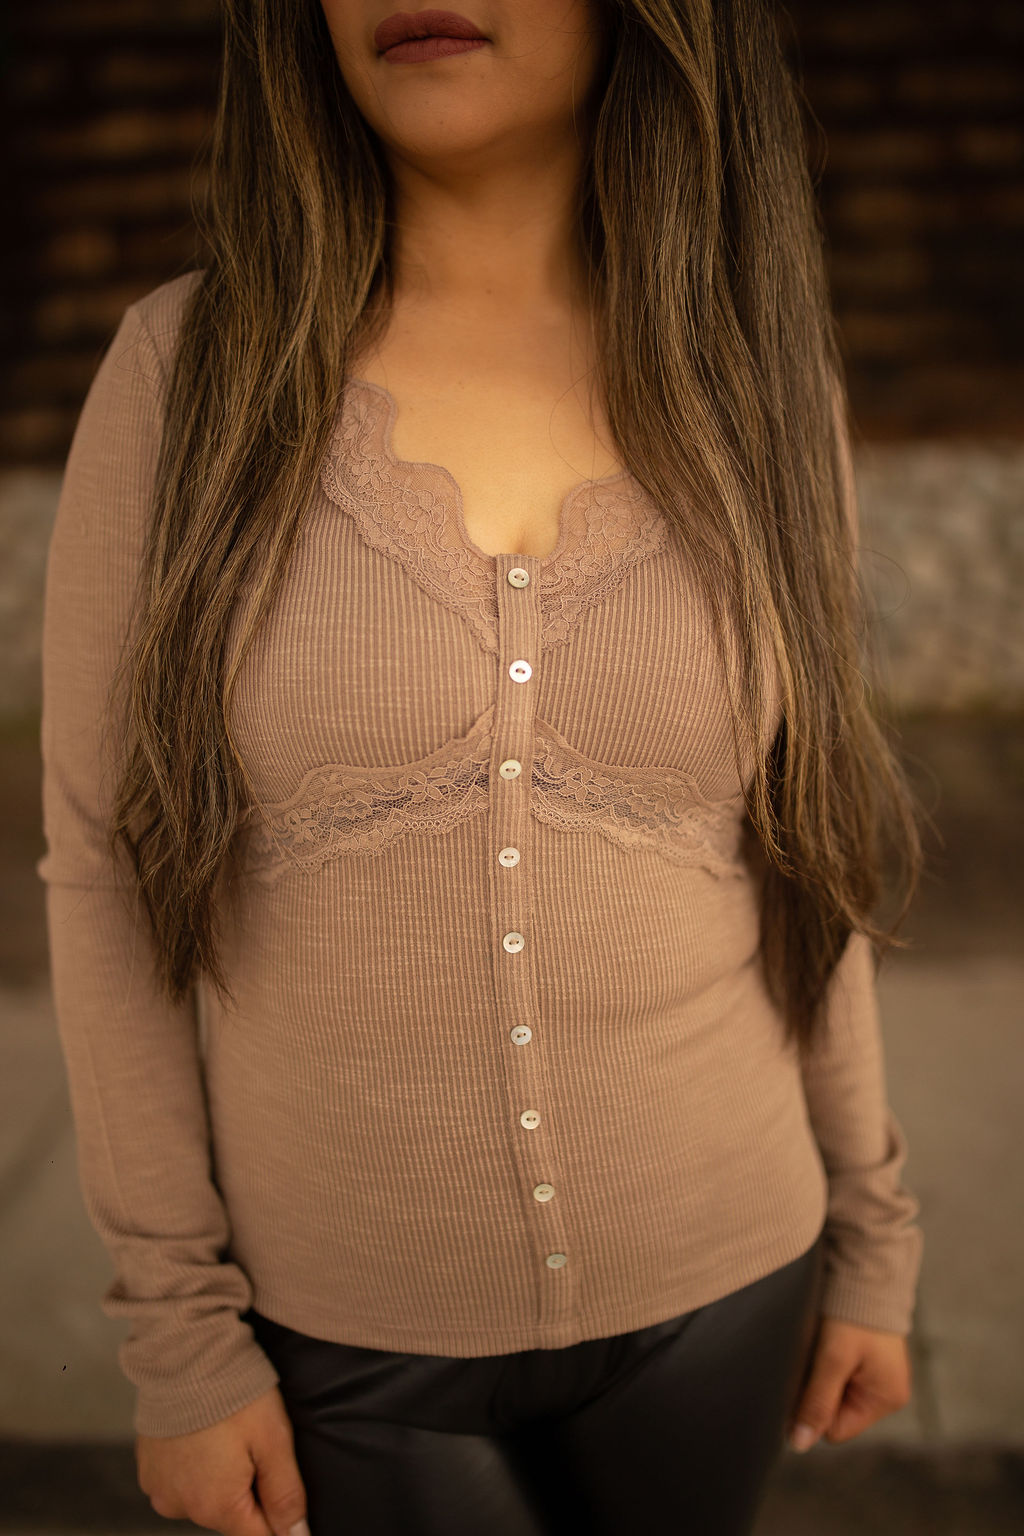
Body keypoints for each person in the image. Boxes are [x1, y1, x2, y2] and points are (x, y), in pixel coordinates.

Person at [37, 2, 926, 1533]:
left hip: (727, 1280)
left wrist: (874, 1232)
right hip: (344, 1333)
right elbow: (106, 870)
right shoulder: (186, 376)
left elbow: (807, 847)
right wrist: (179, 1339)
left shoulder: (762, 382)